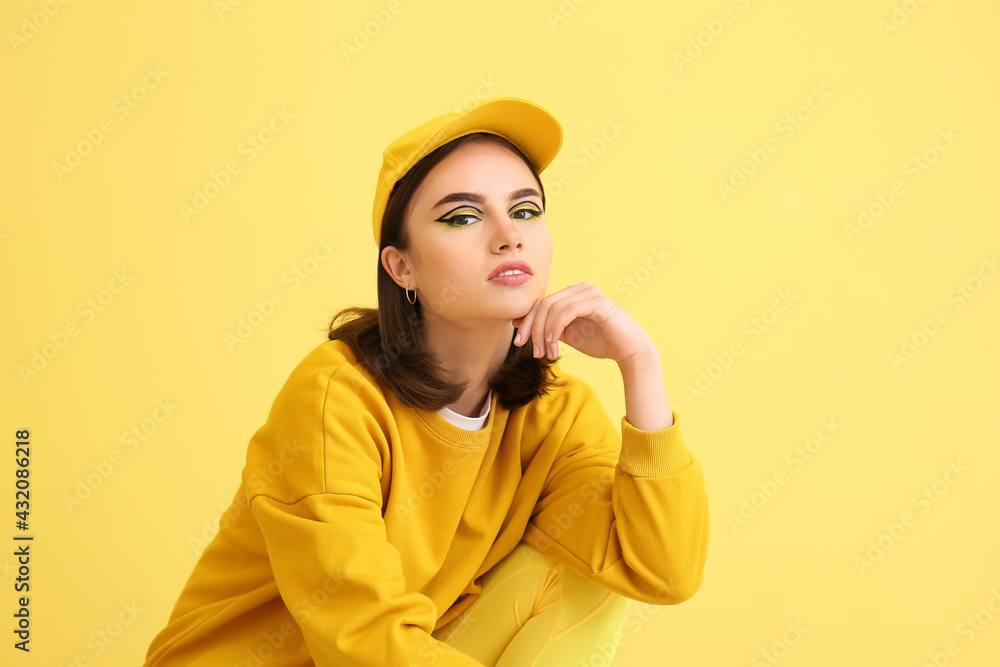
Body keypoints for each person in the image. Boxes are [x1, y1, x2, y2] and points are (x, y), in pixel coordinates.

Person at [140, 96, 710, 667]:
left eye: (527, 210)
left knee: (583, 578)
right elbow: (362, 639)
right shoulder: (337, 396)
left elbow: (661, 569)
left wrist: (641, 364)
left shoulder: (554, 413)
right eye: (462, 217)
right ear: (401, 267)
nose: (509, 236)